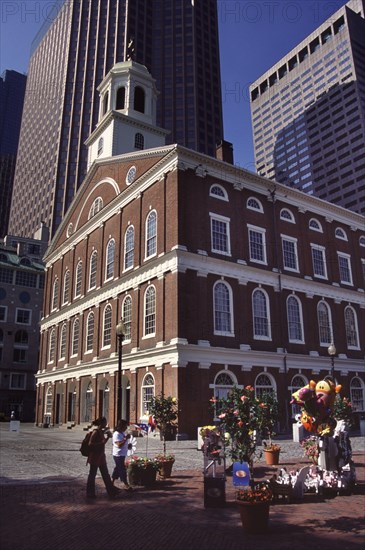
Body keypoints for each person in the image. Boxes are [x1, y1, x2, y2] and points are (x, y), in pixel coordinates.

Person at [86, 417, 119, 499]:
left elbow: (103, 443)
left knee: (106, 474)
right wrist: (102, 442)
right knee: (92, 475)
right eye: (105, 423)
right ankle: (90, 493)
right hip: (95, 456)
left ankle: (111, 491)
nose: (106, 424)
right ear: (101, 423)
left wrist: (107, 437)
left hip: (101, 456)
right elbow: (90, 444)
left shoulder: (101, 432)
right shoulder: (95, 432)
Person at [112, 419, 132, 491]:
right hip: (118, 454)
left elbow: (123, 443)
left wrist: (128, 446)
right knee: (122, 469)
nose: (126, 428)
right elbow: (119, 444)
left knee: (117, 468)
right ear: (121, 426)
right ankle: (126, 484)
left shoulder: (122, 433)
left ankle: (111, 483)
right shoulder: (116, 434)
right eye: (125, 426)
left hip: (122, 454)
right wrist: (126, 439)